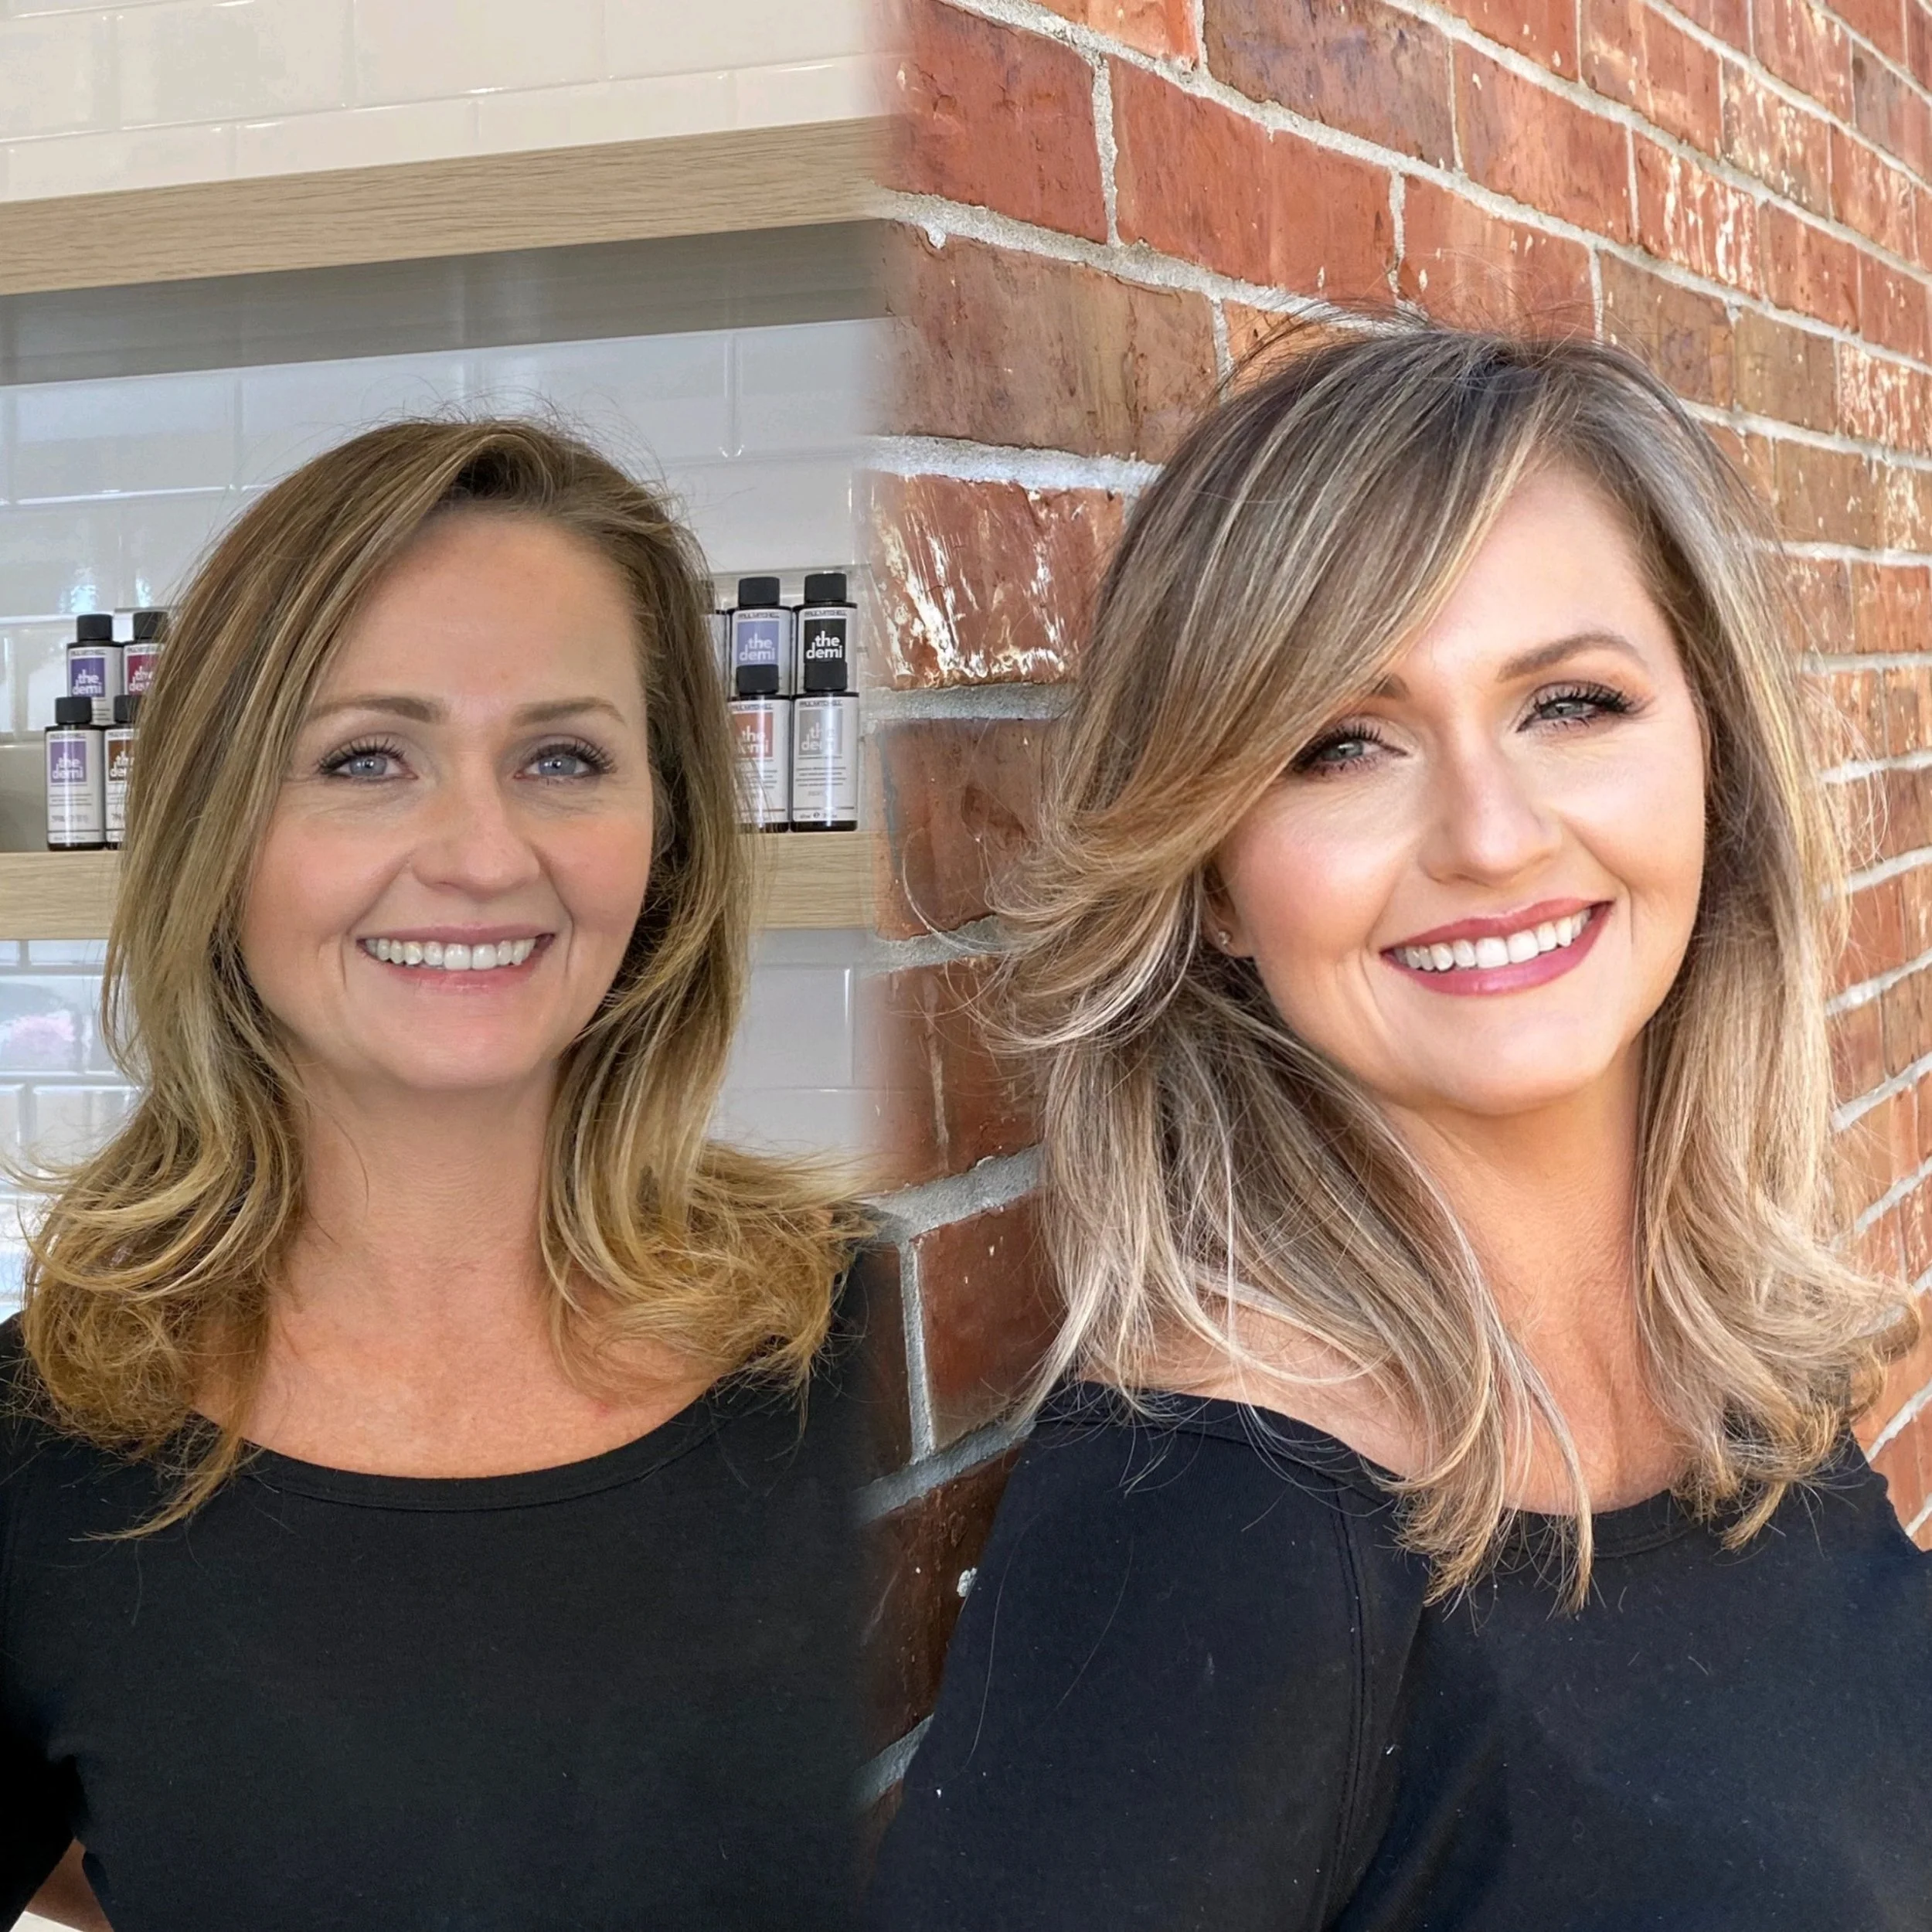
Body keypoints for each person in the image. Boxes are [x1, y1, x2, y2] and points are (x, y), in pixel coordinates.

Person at [868, 322, 1932, 1927]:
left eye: (1570, 702)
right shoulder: (1208, 1538)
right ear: (1213, 875)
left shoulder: (1729, 1364)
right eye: (1338, 743)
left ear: (1708, 762)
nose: (1489, 834)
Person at [0, 419, 870, 1932]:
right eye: (365, 758)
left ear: (664, 832)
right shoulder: (44, 1448)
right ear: (219, 829)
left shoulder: (894, 1339)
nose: (480, 853)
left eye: (560, 756)